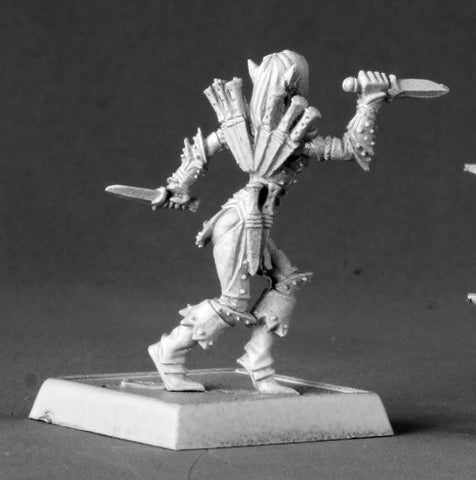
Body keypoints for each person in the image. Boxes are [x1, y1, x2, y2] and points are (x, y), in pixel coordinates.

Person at [148, 50, 390, 394]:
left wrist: (369, 102)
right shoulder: (249, 130)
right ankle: (169, 351)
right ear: (293, 84)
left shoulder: (292, 135)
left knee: (286, 282)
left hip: (255, 218)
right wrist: (175, 187)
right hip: (241, 220)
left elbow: (349, 149)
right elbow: (203, 149)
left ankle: (257, 361)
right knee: (232, 304)